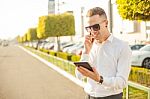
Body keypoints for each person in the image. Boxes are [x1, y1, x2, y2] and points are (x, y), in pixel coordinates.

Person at [75, 7, 132, 99]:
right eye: (89, 28)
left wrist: (100, 79)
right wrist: (86, 52)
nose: (92, 31)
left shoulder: (122, 47)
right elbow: (79, 76)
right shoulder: (90, 46)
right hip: (89, 96)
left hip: (111, 97)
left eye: (95, 27)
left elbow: (122, 82)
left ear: (106, 23)